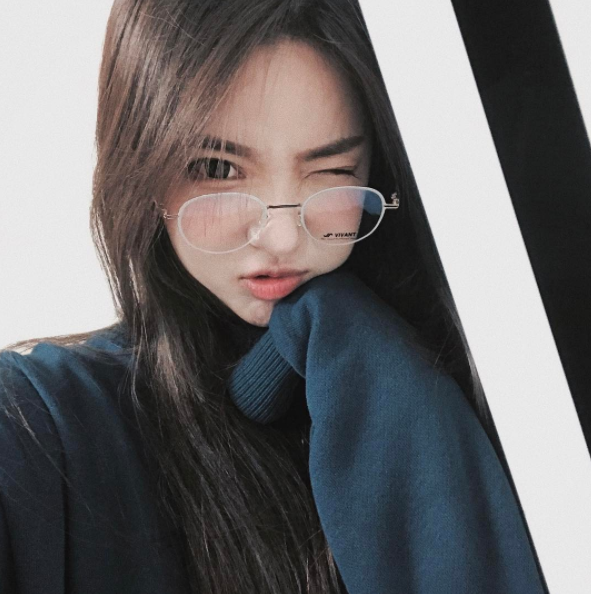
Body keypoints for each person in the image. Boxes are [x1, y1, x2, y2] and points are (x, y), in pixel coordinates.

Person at [0, 1, 548, 593]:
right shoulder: (43, 423)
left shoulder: (510, 376)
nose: (283, 236)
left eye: (332, 170)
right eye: (218, 168)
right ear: (142, 167)